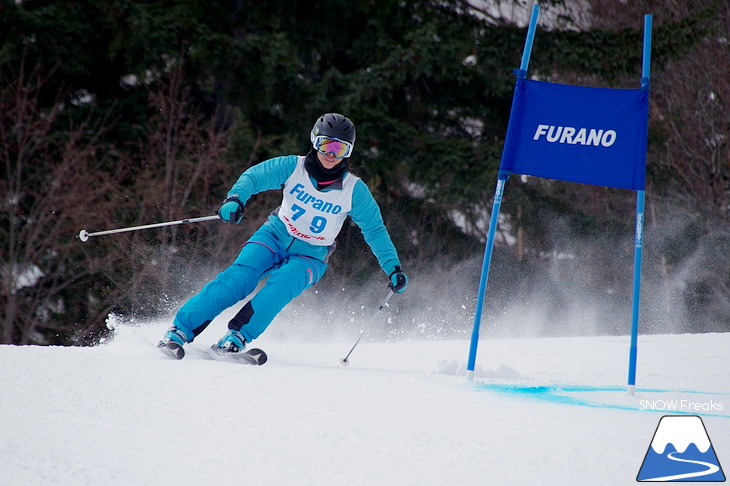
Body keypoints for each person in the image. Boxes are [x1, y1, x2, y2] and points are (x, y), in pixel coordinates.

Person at [158, 113, 408, 359]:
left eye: (340, 149)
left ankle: (237, 336)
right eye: (326, 145)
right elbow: (254, 177)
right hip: (273, 236)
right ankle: (179, 330)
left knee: (283, 284)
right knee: (238, 279)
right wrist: (235, 199)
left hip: (311, 256)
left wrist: (392, 267)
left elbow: (374, 229)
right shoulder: (293, 167)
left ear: (348, 152)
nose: (331, 155)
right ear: (314, 141)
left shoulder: (354, 190)